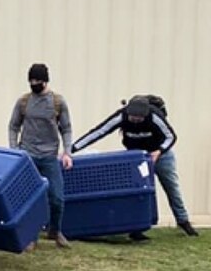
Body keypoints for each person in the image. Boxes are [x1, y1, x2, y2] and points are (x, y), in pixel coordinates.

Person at [72, 95, 198, 238]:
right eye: (133, 117)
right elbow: (98, 132)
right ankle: (135, 228)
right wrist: (71, 150)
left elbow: (171, 136)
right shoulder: (121, 116)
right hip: (136, 158)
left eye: (139, 118)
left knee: (171, 186)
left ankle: (183, 221)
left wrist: (159, 151)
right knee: (136, 192)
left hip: (160, 155)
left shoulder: (154, 116)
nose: (136, 120)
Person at [8, 62, 73, 248]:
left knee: (57, 198)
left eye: (37, 81)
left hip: (50, 157)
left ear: (45, 81)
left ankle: (55, 231)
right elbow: (13, 126)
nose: (34, 84)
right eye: (31, 81)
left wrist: (67, 152)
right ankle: (31, 236)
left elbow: (66, 129)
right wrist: (15, 150)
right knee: (30, 199)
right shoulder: (23, 102)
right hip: (27, 156)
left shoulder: (58, 102)